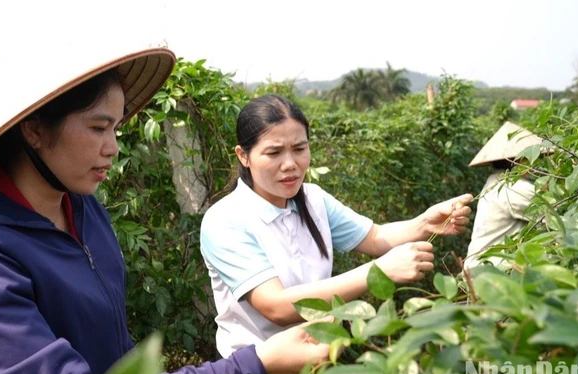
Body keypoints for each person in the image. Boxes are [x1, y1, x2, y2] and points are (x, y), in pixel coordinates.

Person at [0, 28, 333, 374]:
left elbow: (114, 359)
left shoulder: (83, 211)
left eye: (116, 128)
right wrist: (256, 365)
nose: (113, 147)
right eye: (99, 128)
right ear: (35, 129)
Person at [200, 94, 473, 358]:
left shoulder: (313, 199)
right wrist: (379, 271)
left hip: (320, 360)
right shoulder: (225, 220)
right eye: (274, 152)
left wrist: (425, 223)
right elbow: (276, 306)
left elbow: (375, 237)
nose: (290, 164)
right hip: (256, 373)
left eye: (299, 149)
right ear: (243, 156)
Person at [463, 121, 539, 269]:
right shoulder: (515, 187)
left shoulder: (494, 181)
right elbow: (554, 220)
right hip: (492, 271)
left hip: (477, 269)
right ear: (520, 160)